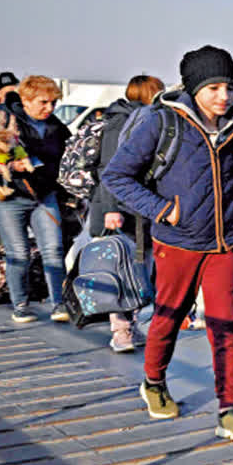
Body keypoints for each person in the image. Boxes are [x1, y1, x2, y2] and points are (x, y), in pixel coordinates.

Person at [102, 45, 233, 442]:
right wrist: (163, 210)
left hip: (226, 243)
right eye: (214, 88)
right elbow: (117, 176)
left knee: (226, 326)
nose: (224, 96)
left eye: (229, 87)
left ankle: (229, 408)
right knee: (168, 316)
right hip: (177, 240)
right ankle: (153, 381)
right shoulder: (163, 122)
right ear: (195, 88)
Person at [85, 74, 165, 351]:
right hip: (119, 210)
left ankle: (131, 325)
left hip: (140, 209)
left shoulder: (146, 119)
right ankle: (121, 330)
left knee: (138, 271)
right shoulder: (120, 122)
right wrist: (110, 209)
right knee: (119, 271)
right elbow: (108, 168)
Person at [0, 75, 72, 323]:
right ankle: (20, 305)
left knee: (54, 249)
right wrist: (11, 166)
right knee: (19, 253)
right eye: (43, 102)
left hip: (44, 195)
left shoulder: (55, 126)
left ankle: (59, 304)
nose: (49, 108)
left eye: (53, 103)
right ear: (25, 100)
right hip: (9, 197)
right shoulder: (2, 118)